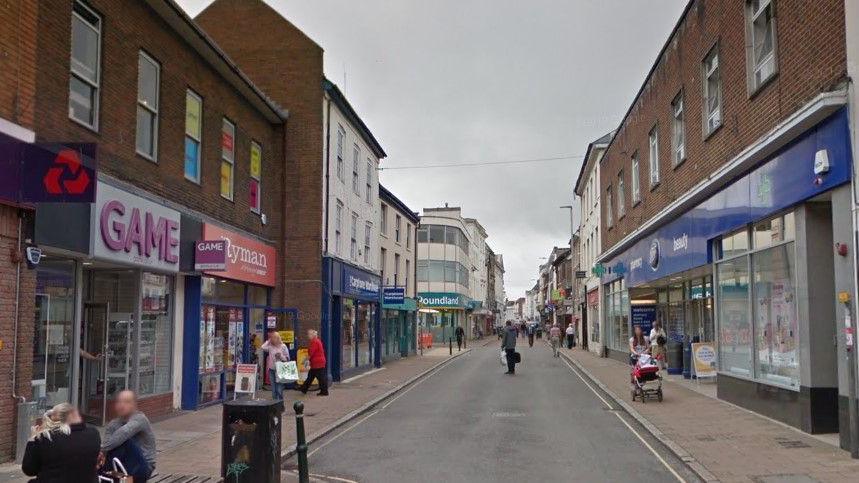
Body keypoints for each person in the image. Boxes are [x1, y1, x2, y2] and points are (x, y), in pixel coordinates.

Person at [22, 403, 101, 483]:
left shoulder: (46, 439)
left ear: (56, 421)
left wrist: (32, 440)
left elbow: (29, 470)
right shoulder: (94, 434)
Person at [101, 390, 156, 483]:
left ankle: (125, 479)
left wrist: (99, 449)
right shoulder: (113, 424)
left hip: (143, 468)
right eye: (119, 402)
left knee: (125, 442)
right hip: (120, 467)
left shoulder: (140, 419)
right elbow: (106, 445)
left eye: (126, 402)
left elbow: (123, 433)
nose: (122, 405)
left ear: (134, 405)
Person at [262, 330, 290, 400]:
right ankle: (274, 403)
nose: (273, 339)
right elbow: (262, 347)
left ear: (278, 338)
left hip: (280, 370)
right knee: (273, 389)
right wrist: (268, 341)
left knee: (279, 389)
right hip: (272, 369)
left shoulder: (283, 346)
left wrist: (280, 356)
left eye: (274, 337)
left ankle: (280, 403)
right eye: (272, 337)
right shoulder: (270, 346)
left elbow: (287, 358)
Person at [299, 329, 329, 396]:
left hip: (317, 363)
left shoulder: (314, 342)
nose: (308, 336)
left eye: (309, 334)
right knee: (311, 376)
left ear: (313, 335)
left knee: (320, 378)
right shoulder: (316, 341)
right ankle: (304, 388)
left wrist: (304, 362)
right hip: (318, 362)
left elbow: (310, 354)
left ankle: (324, 392)